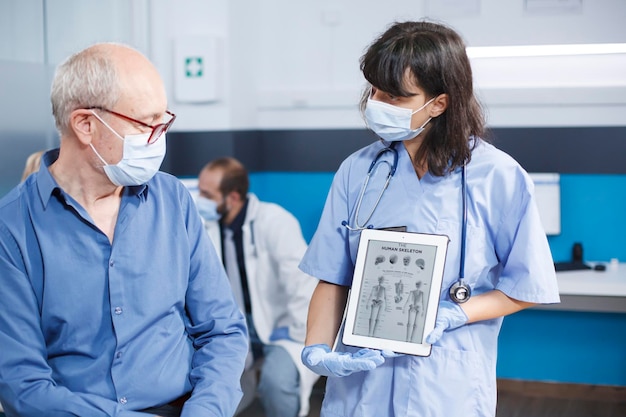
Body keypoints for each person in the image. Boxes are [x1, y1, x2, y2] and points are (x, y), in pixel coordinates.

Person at [299, 21, 560, 417]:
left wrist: (454, 313)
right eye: (374, 90)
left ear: (438, 103)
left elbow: (524, 287)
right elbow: (333, 277)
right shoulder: (358, 171)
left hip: (445, 383)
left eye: (394, 96)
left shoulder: (498, 177)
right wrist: (317, 348)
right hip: (361, 383)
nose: (377, 102)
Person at [0, 43, 248, 417]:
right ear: (85, 125)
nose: (158, 136)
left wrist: (206, 411)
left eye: (163, 120)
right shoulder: (12, 228)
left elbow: (222, 331)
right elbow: (23, 385)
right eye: (144, 123)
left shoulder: (172, 202)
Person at [195, 157, 320, 417]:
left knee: (277, 383)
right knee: (210, 388)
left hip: (282, 329)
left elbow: (303, 284)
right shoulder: (204, 227)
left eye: (206, 194)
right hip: (233, 329)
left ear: (233, 197)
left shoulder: (274, 221)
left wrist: (297, 332)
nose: (199, 199)